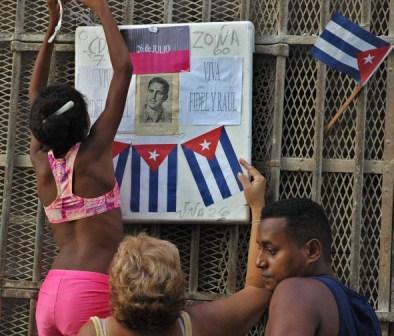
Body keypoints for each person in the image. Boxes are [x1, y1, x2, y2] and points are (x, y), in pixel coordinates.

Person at [29, 0, 132, 335]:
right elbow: (124, 70)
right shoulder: (93, 154)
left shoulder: (41, 161)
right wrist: (101, 8)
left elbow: (34, 97)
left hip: (51, 291)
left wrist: (53, 26)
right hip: (90, 290)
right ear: (84, 121)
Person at [78, 159, 272, 336]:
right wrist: (257, 206)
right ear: (179, 285)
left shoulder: (94, 332)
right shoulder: (200, 325)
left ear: (114, 287)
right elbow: (257, 290)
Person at [254, 197, 382, 335]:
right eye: (260, 249)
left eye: (271, 250)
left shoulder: (295, 292)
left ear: (312, 251)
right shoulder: (361, 310)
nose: (259, 262)